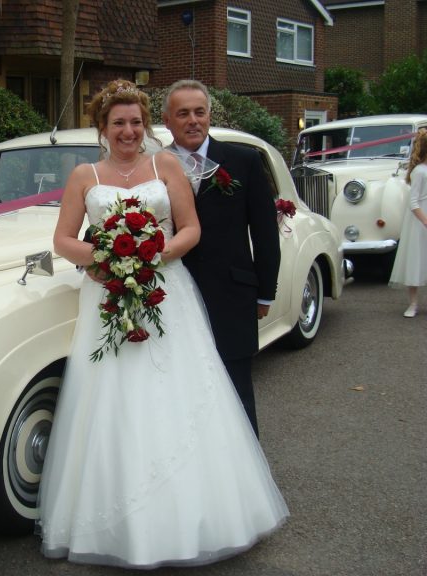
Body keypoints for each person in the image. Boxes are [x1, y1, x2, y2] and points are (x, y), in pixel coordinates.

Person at [37, 79, 288, 569]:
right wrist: (108, 258)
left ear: (146, 125)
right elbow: (63, 239)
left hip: (165, 292)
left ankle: (195, 513)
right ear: (102, 128)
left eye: (136, 122)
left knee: (180, 393)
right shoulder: (83, 176)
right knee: (111, 400)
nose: (128, 131)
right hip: (108, 295)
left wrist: (155, 255)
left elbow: (190, 227)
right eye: (118, 123)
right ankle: (118, 522)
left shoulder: (165, 165)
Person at [162, 79, 281, 438]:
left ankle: (247, 477)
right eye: (183, 114)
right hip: (174, 297)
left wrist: (265, 292)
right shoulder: (155, 167)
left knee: (236, 390)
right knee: (182, 388)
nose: (193, 120)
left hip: (233, 295)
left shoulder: (243, 161)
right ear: (168, 121)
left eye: (199, 112)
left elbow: (264, 232)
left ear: (209, 115)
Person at [389, 128, 427, 316]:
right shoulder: (420, 172)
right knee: (416, 260)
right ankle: (413, 303)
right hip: (420, 221)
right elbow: (414, 202)